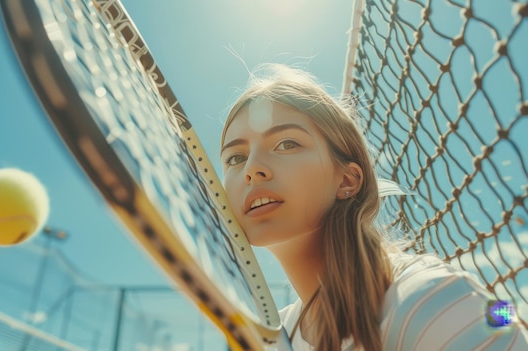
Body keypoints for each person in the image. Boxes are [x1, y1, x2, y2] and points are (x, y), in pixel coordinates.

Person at [218, 63, 528, 350]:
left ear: (347, 181)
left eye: (287, 144)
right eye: (235, 158)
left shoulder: (432, 298)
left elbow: (499, 322)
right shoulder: (274, 335)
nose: (252, 168)